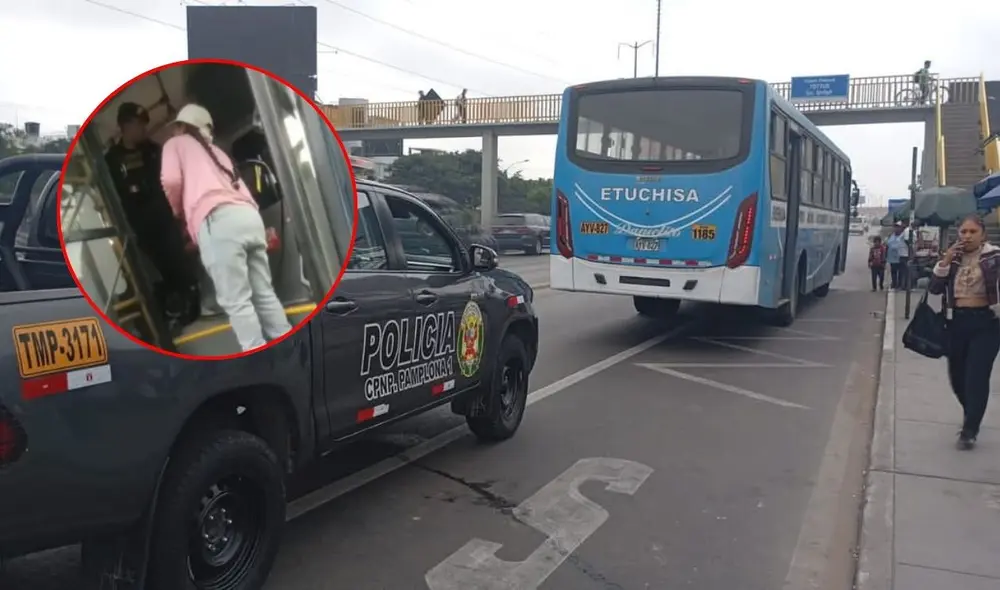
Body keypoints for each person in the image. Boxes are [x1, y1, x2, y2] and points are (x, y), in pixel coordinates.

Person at [160, 104, 292, 352]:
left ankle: (257, 355)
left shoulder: (175, 144)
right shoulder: (218, 153)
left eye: (177, 126)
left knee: (237, 301)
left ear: (182, 126)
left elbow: (171, 180)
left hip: (217, 220)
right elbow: (241, 188)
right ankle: (287, 345)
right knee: (263, 293)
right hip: (248, 217)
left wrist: (178, 211)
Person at [104, 101, 200, 326]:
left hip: (165, 221)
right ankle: (168, 314)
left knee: (179, 264)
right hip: (139, 228)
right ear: (125, 126)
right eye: (139, 124)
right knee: (155, 274)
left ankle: (191, 307)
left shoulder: (155, 151)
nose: (144, 130)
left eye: (145, 125)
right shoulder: (112, 161)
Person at [928, 215, 1000, 449]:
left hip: (986, 324)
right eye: (963, 232)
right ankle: (972, 411)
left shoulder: (994, 257)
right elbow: (935, 289)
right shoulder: (954, 259)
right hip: (957, 322)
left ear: (982, 235)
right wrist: (945, 261)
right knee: (957, 376)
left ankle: (970, 429)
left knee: (977, 376)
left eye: (972, 232)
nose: (967, 236)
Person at [886, 221, 911, 288]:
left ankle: (900, 284)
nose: (896, 228)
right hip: (892, 258)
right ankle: (894, 284)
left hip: (900, 257)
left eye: (898, 227)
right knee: (893, 272)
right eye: (895, 227)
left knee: (900, 272)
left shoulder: (903, 236)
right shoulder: (891, 235)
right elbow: (887, 245)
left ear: (901, 228)